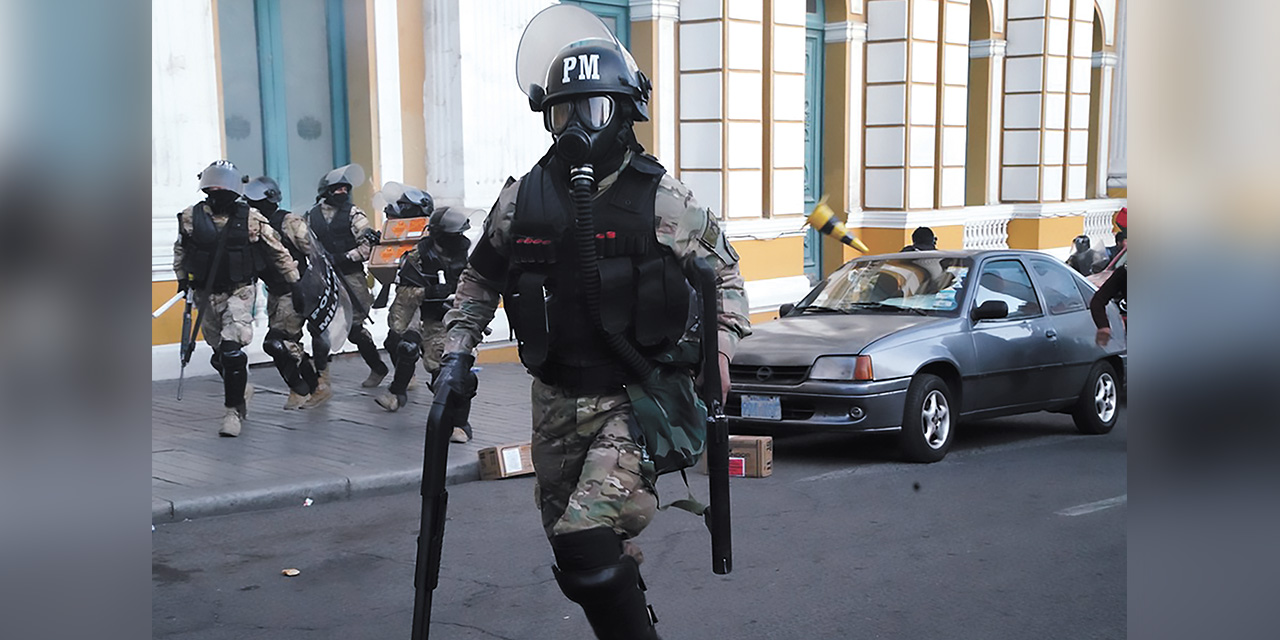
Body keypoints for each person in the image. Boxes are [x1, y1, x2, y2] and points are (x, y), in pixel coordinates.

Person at [436, 7, 750, 638]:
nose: (576, 126)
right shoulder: (523, 198)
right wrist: (455, 353)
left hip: (634, 399)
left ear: (626, 113)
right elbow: (479, 278)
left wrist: (718, 359)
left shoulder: (665, 200)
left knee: (584, 541)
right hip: (554, 399)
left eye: (594, 111)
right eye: (563, 112)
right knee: (575, 554)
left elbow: (728, 284)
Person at [173, 160, 300, 437]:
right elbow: (181, 250)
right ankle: (242, 389)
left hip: (239, 292)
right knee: (219, 356)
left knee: (232, 352)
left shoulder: (251, 218)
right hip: (206, 294)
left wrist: (294, 284)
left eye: (222, 184)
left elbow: (278, 252)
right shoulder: (190, 217)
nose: (217, 190)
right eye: (212, 185)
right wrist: (182, 278)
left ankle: (233, 412)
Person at [376, 205, 473, 442]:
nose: (458, 239)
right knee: (407, 347)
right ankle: (397, 392)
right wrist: (427, 292)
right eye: (453, 235)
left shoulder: (467, 255)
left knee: (455, 373)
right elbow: (404, 294)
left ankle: (460, 425)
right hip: (425, 314)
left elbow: (480, 286)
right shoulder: (418, 257)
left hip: (453, 318)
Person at [245, 176, 327, 409]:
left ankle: (302, 388)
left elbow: (316, 252)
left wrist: (309, 288)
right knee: (290, 344)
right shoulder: (250, 225)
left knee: (277, 342)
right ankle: (313, 388)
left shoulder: (289, 222)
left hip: (296, 290)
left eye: (258, 201)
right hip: (275, 293)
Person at [307, 164, 388, 389]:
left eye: (345, 189)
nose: (342, 193)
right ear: (326, 191)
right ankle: (321, 378)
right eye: (337, 189)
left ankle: (378, 368)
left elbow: (368, 245)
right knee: (319, 326)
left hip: (351, 276)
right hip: (325, 279)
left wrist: (344, 257)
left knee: (355, 329)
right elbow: (307, 244)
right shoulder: (312, 216)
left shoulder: (354, 214)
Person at [1091, 262, 1126, 347]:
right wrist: (1103, 326)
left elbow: (1097, 301)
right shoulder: (1124, 272)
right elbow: (1098, 301)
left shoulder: (1124, 271)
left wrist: (1103, 326)